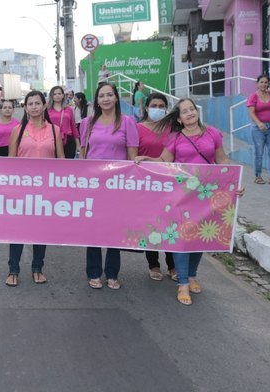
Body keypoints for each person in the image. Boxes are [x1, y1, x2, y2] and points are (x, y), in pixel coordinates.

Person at [135, 98, 243, 305]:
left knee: (199, 236)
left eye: (192, 109)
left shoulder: (212, 133)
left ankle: (192, 274)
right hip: (183, 195)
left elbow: (222, 161)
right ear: (179, 118)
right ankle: (182, 283)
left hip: (207, 193)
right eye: (185, 111)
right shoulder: (175, 137)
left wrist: (235, 182)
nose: (190, 113)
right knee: (183, 236)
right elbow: (164, 161)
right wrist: (145, 159)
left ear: (197, 112)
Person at [80, 83, 139, 290]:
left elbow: (133, 158)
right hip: (94, 186)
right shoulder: (87, 123)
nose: (105, 99)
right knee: (93, 229)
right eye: (101, 96)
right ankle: (94, 272)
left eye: (109, 95)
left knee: (115, 229)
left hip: (118, 186)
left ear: (116, 98)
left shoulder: (128, 122)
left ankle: (112, 273)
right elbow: (83, 156)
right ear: (96, 100)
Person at [5, 91, 64, 287]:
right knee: (17, 231)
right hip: (21, 191)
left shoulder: (55, 130)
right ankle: (13, 269)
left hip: (46, 191)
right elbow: (11, 161)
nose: (34, 106)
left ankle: (38, 268)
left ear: (44, 106)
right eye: (30, 103)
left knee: (40, 231)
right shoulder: (18, 130)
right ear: (25, 107)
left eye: (37, 103)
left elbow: (61, 160)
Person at [136, 93, 177, 282]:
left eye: (162, 106)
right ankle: (153, 263)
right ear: (146, 107)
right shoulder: (137, 128)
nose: (158, 109)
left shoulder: (174, 129)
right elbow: (132, 154)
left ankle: (172, 264)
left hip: (170, 183)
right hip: (146, 184)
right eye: (154, 105)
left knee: (170, 224)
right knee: (150, 224)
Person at [247, 74, 270, 185]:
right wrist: (259, 123)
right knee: (259, 153)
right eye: (261, 82)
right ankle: (258, 176)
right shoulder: (253, 96)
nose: (264, 84)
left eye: (265, 82)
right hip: (258, 129)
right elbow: (251, 112)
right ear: (257, 84)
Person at [48, 85, 80, 158]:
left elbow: (73, 127)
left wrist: (78, 144)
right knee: (54, 165)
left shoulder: (68, 109)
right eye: (55, 94)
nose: (57, 96)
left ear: (63, 95)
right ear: (51, 96)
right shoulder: (48, 110)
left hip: (68, 141)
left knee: (68, 165)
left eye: (59, 93)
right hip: (52, 140)